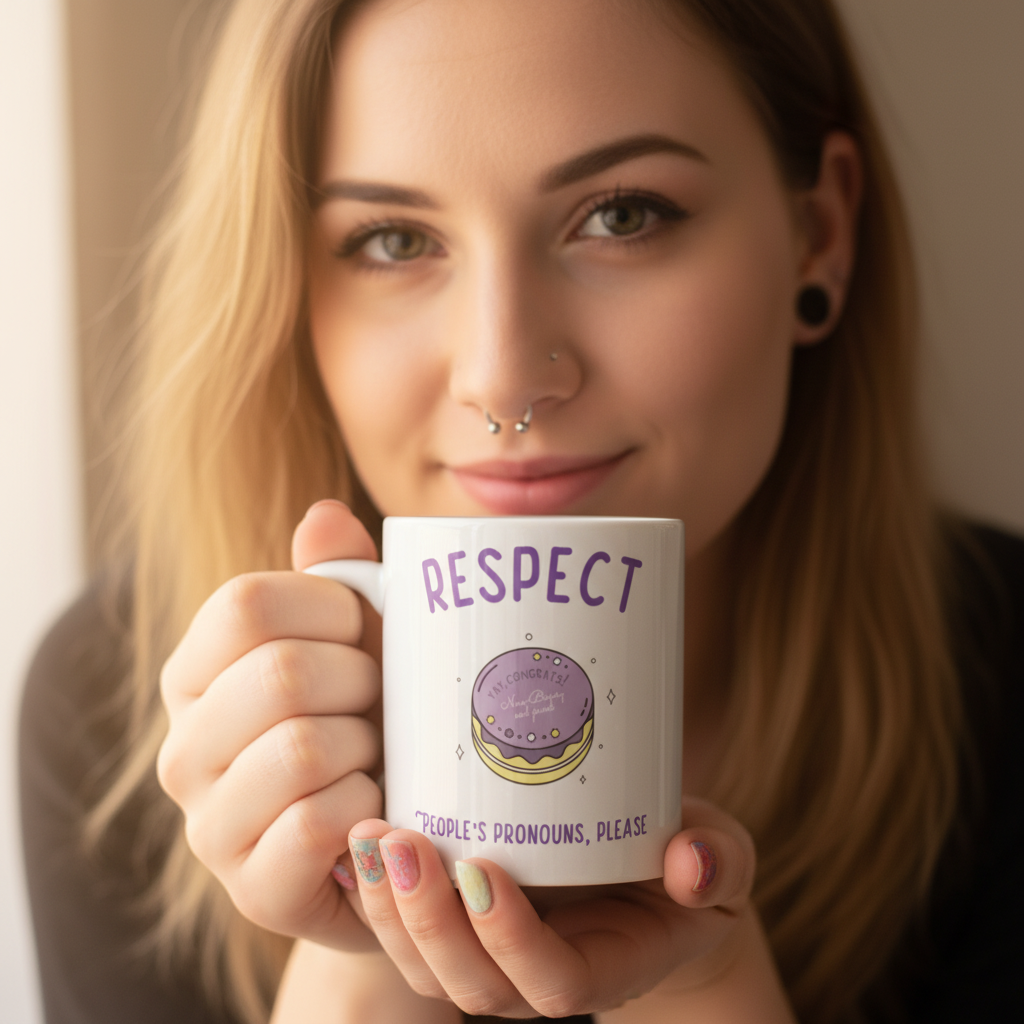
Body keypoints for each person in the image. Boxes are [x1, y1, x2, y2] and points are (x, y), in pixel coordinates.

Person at [19, 0, 1022, 1021]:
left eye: (622, 214)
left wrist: (701, 980)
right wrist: (366, 948)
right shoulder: (116, 717)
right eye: (394, 237)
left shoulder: (1000, 688)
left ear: (819, 235)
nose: (502, 378)